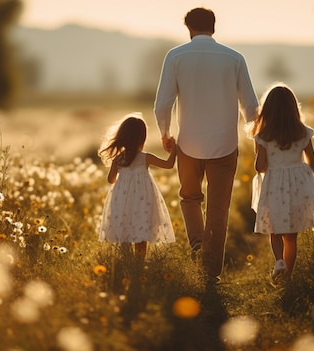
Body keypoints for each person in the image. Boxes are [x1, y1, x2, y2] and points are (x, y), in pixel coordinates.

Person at [154, 7, 259, 282]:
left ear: (188, 28)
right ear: (214, 26)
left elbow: (163, 103)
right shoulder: (234, 58)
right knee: (218, 207)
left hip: (187, 143)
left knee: (189, 198)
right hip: (225, 143)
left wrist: (165, 134)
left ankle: (198, 244)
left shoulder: (175, 56)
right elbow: (250, 104)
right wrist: (257, 140)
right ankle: (211, 271)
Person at [249, 82, 314, 283]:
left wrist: (274, 169)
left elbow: (259, 167)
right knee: (291, 236)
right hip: (298, 187)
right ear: (294, 108)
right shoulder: (303, 133)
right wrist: (300, 174)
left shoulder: (263, 137)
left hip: (274, 186)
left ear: (267, 110)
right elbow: (312, 162)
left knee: (275, 231)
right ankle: (289, 276)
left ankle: (279, 262)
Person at [98, 114, 177, 261]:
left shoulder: (118, 159)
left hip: (122, 199)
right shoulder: (145, 157)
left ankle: (126, 262)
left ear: (122, 137)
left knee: (125, 229)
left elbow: (111, 180)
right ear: (142, 138)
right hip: (143, 201)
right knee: (141, 229)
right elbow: (169, 165)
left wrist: (122, 178)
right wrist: (175, 150)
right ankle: (139, 264)